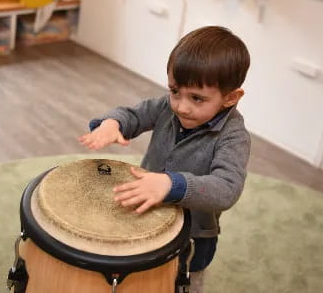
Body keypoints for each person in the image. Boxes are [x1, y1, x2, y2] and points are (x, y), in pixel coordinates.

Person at [78, 26, 251, 293]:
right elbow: (134, 115)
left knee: (183, 284)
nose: (181, 106)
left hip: (193, 237)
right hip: (149, 216)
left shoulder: (234, 137)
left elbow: (227, 188)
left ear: (231, 97)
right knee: (142, 279)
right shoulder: (167, 108)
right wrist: (112, 123)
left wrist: (172, 185)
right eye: (175, 91)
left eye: (197, 98)